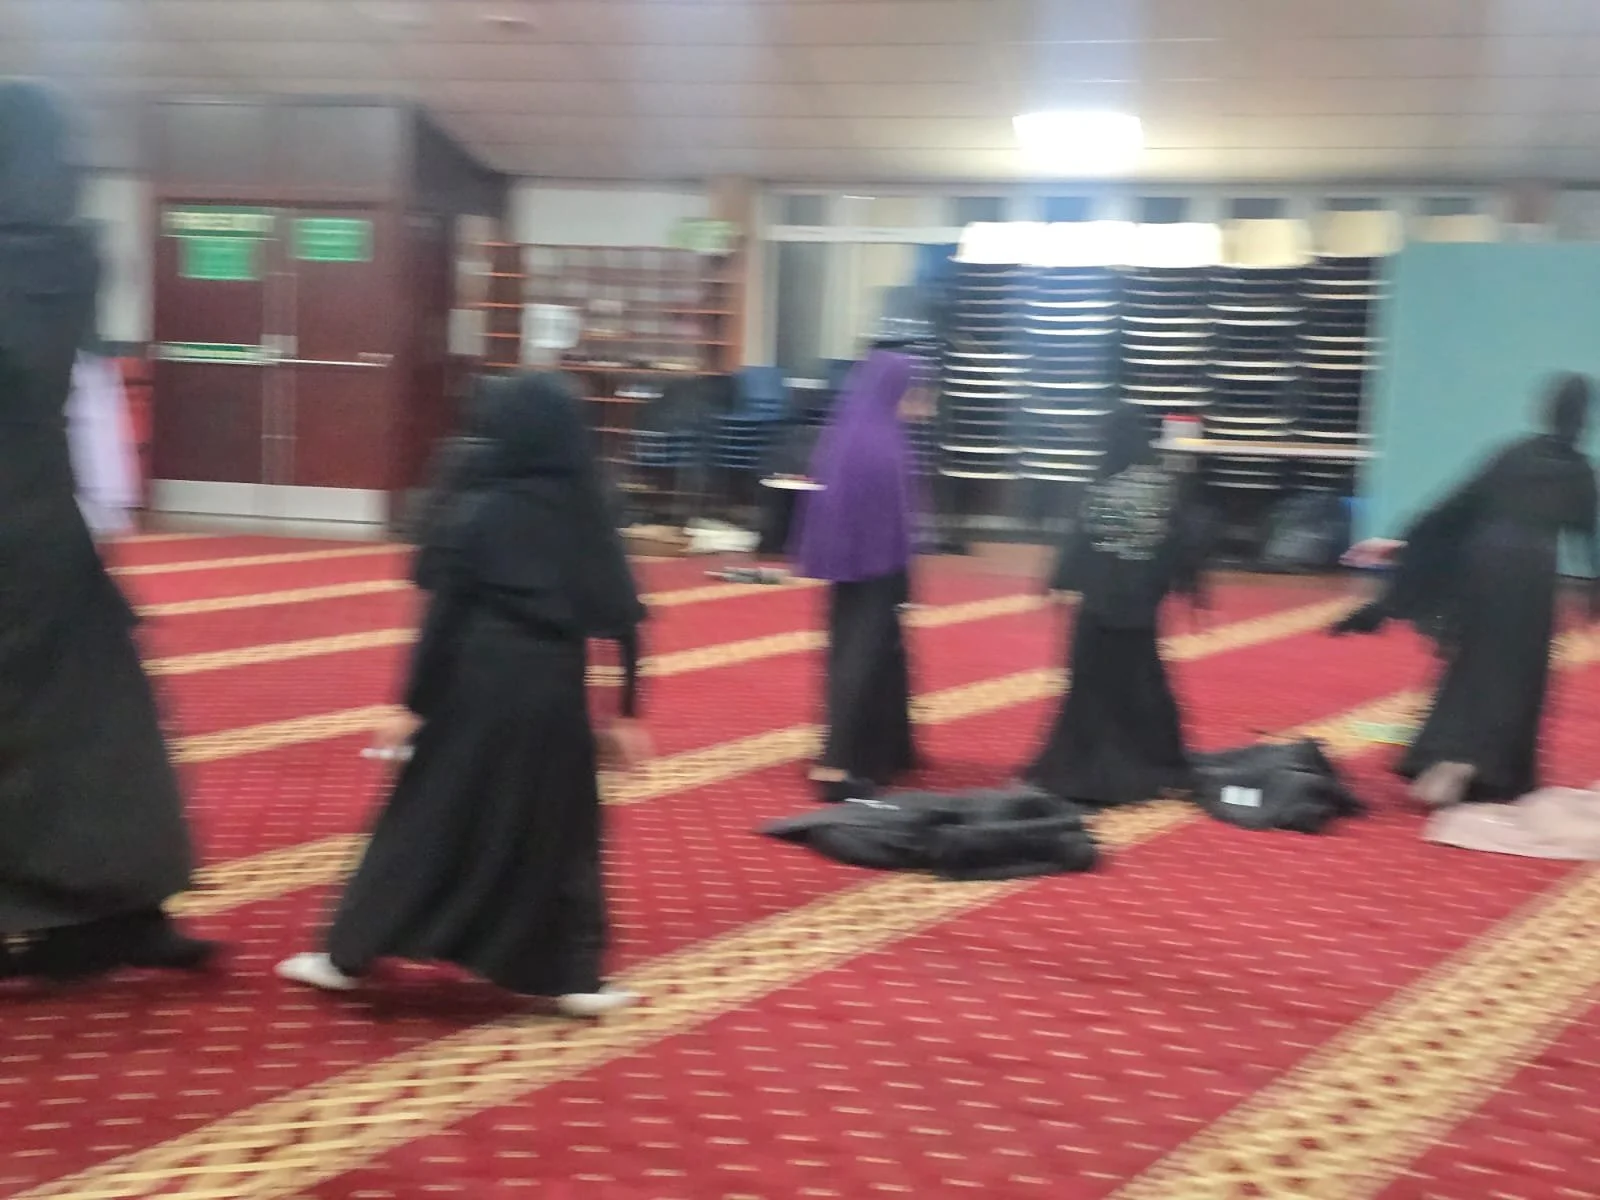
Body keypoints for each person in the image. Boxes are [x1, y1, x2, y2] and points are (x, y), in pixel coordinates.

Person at [277, 372, 650, 1015]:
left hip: (475, 687)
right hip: (554, 693)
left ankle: (346, 958)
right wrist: (625, 713)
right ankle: (573, 978)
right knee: (555, 835)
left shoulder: (480, 511)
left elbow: (443, 618)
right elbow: (622, 622)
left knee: (427, 822)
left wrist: (412, 704)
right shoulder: (591, 511)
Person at [0, 81, 213, 981]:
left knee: (85, 719)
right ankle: (106, 910)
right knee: (96, 721)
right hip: (43, 519)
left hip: (33, 516)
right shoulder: (70, 256)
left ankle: (99, 914)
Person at [1336, 372, 1599, 808]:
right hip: (1533, 575)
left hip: (1483, 566)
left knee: (1471, 666)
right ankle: (1487, 768)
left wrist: (1405, 545)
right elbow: (1587, 539)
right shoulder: (1580, 472)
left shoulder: (1513, 454)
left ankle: (1447, 754)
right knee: (1517, 676)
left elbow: (1453, 506)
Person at [1022, 403, 1210, 807]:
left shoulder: (1099, 486)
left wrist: (1057, 584)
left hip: (1098, 610)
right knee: (1146, 688)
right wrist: (1189, 589)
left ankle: (1087, 768)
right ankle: (1156, 765)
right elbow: (1182, 542)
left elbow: (1080, 544)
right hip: (1141, 612)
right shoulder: (1165, 486)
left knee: (1090, 690)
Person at [793, 348, 922, 803]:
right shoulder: (884, 442)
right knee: (861, 661)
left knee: (864, 656)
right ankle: (842, 758)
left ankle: (881, 749)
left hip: (848, 568)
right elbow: (899, 519)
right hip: (876, 569)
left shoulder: (849, 432)